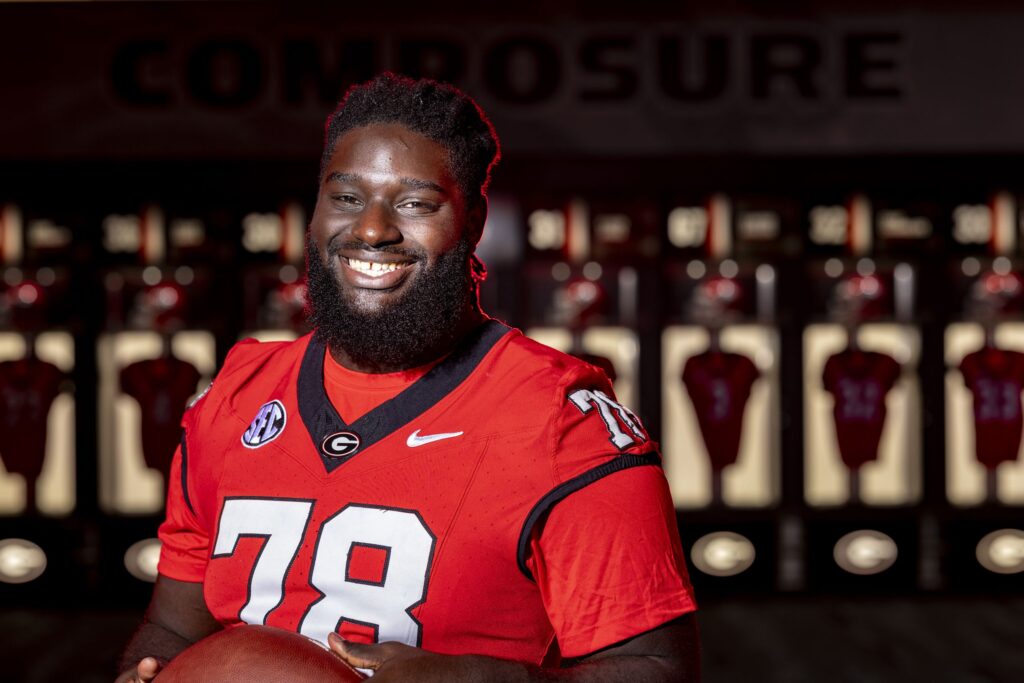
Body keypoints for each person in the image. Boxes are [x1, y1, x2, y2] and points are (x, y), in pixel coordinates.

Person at [117, 73, 699, 682]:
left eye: (416, 203)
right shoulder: (235, 395)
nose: (371, 229)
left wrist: (482, 681)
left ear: (473, 221)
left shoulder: (560, 418)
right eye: (345, 198)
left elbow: (654, 669)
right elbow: (174, 629)